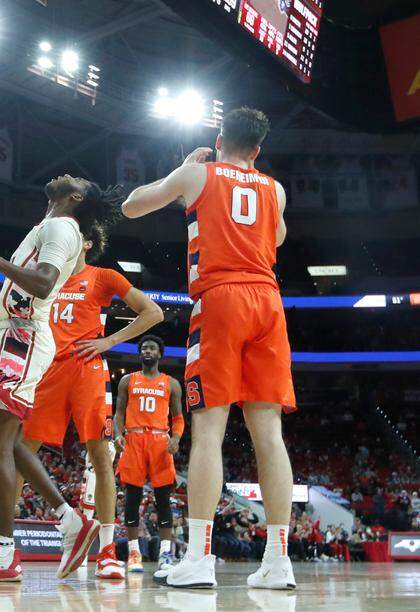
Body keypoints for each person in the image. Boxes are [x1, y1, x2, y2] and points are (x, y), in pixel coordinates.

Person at [122, 107, 297, 590]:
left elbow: (132, 204)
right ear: (257, 151)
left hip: (220, 301)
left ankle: (198, 558)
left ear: (220, 140)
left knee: (209, 430)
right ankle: (278, 563)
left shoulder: (199, 172)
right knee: (270, 433)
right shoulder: (275, 188)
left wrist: (184, 169)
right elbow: (277, 236)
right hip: (268, 301)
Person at [0, 175, 123, 581]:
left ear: (75, 197)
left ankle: (4, 552)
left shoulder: (61, 227)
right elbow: (33, 288)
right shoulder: (50, 227)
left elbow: (44, 282)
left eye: (74, 179)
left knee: (0, 442)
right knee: (9, 442)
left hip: (24, 337)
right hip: (18, 332)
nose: (61, 174)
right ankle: (68, 520)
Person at [113, 335, 183, 576]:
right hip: (133, 440)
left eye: (152, 348)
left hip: (159, 441)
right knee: (132, 499)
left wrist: (175, 439)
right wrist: (117, 434)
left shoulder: (171, 383)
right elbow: (119, 412)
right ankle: (134, 553)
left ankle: (165, 553)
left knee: (163, 500)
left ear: (160, 354)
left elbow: (178, 418)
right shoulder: (127, 380)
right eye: (144, 348)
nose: (147, 351)